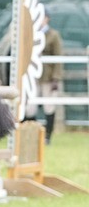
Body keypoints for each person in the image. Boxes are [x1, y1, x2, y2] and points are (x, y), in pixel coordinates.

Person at [28, 15, 63, 145]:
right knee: (30, 107)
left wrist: (56, 78)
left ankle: (48, 136)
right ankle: (31, 134)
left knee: (49, 107)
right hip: (34, 77)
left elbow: (58, 57)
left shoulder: (53, 35)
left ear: (47, 18)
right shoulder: (32, 33)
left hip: (48, 77)